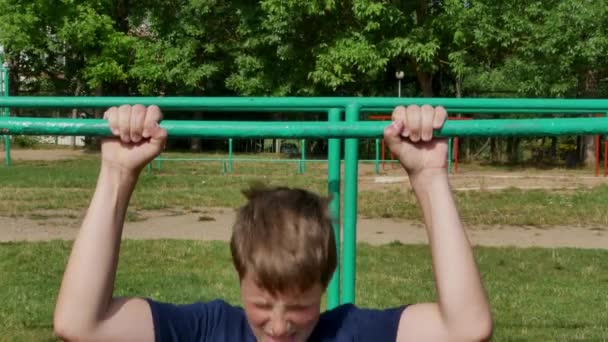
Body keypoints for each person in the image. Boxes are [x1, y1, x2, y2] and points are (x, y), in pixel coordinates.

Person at [53, 104, 492, 341]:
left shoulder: (350, 333)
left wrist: (429, 176)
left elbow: (466, 329)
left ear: (325, 287)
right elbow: (80, 324)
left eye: (301, 307)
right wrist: (117, 173)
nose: (280, 327)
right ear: (239, 276)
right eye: (262, 305)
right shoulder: (208, 331)